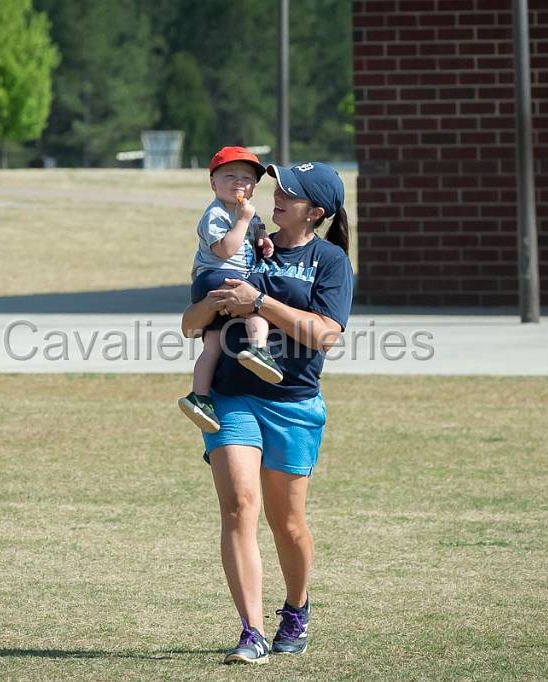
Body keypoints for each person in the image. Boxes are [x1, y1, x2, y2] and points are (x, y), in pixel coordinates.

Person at [180, 161, 353, 664]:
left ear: (315, 211)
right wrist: (213, 303)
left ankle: (296, 608)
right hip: (233, 395)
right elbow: (192, 328)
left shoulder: (330, 260)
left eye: (290, 194)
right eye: (277, 187)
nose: (275, 196)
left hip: (294, 403)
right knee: (238, 506)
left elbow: (325, 334)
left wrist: (260, 302)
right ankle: (251, 631)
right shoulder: (250, 243)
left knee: (289, 523)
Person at [177, 147, 281, 434]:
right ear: (213, 183)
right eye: (230, 176)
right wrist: (244, 221)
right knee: (256, 306)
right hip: (215, 276)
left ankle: (199, 397)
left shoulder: (247, 211)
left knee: (213, 343)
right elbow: (225, 250)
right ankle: (258, 350)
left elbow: (258, 233)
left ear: (254, 187)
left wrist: (263, 240)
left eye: (247, 178)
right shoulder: (215, 214)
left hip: (221, 278)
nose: (239, 183)